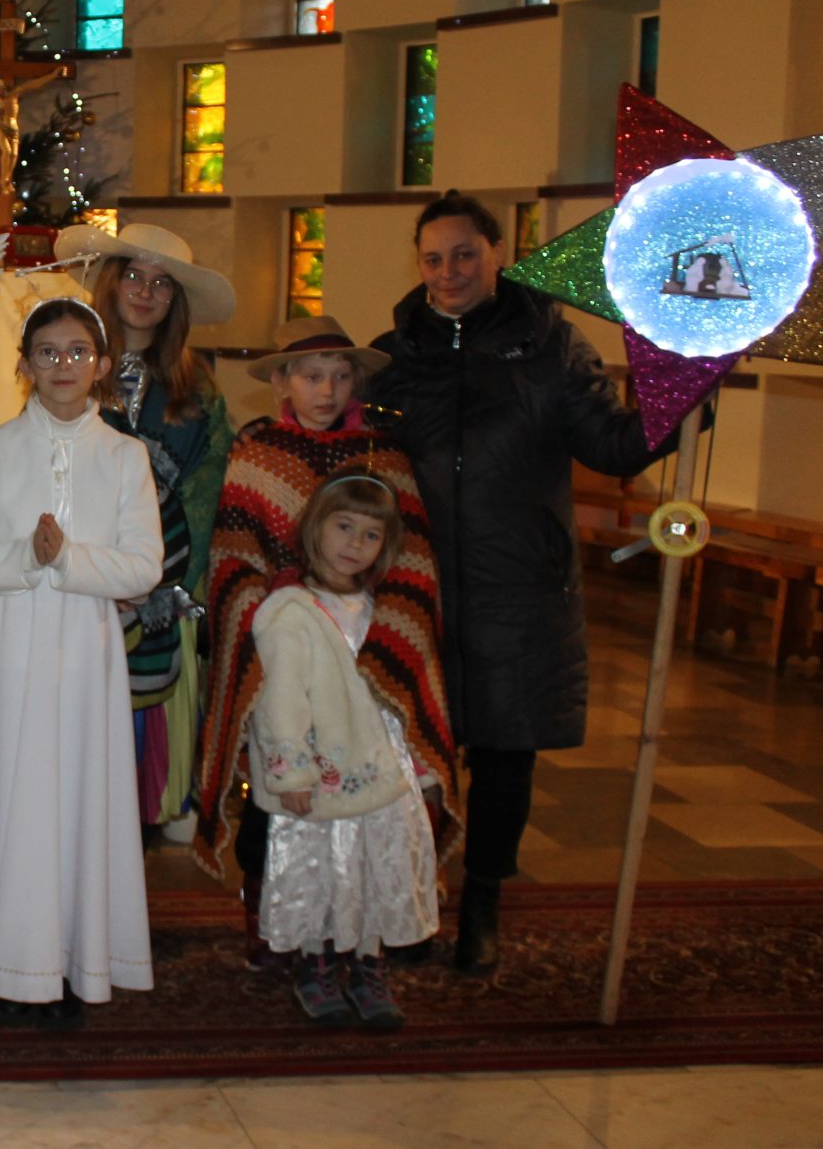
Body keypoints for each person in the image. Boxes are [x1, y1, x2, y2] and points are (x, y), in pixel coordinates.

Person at [368, 190, 663, 973]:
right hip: (418, 587)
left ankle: (483, 903)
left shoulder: (549, 345)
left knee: (504, 754)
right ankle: (409, 897)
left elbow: (613, 444)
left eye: (465, 253)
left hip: (521, 587)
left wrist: (681, 396)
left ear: (498, 252)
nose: (449, 271)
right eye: (433, 258)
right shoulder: (394, 355)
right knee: (411, 754)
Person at [192, 317, 459, 970]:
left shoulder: (383, 458)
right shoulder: (257, 455)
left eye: (341, 377)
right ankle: (268, 916)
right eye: (312, 376)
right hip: (285, 654)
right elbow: (231, 558)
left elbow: (415, 560)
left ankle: (361, 920)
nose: (327, 390)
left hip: (365, 656)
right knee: (275, 799)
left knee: (372, 801)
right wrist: (273, 604)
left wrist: (382, 632)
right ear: (282, 382)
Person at [0, 298, 163, 1030]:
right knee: (18, 793)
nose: (63, 364)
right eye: (47, 352)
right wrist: (25, 559)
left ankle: (72, 962)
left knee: (79, 795)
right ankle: (10, 964)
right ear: (25, 364)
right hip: (17, 644)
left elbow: (144, 565)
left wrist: (68, 560)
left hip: (89, 649)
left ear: (102, 365)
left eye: (77, 352)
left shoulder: (124, 456)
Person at [55, 223, 235, 836]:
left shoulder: (198, 390)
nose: (144, 291)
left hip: (161, 588)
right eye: (133, 275)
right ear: (110, 281)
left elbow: (207, 489)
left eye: (161, 284)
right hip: (79, 585)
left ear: (176, 302)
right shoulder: (67, 367)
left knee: (136, 775)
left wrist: (158, 577)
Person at [250, 468, 439, 1028]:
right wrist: (292, 773)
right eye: (344, 527)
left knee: (375, 866)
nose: (355, 543)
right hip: (323, 773)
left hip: (381, 770)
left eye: (371, 534)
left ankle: (368, 963)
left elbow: (407, 686)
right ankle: (316, 962)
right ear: (315, 527)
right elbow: (281, 698)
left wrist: (421, 760)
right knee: (322, 869)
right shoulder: (290, 610)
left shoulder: (387, 608)